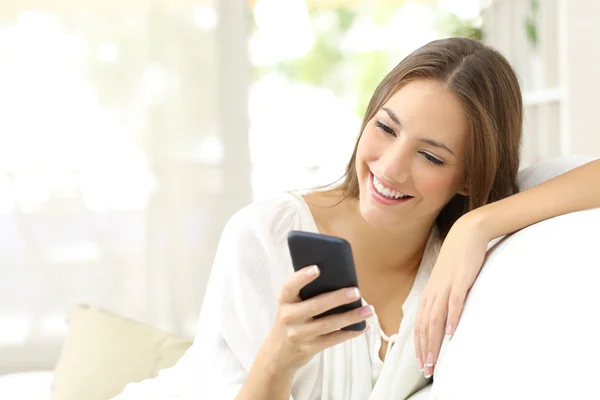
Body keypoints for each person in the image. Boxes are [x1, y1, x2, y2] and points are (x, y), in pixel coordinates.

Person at [112, 37, 600, 400]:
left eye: (430, 157)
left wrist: (477, 226)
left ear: (470, 178)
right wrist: (280, 354)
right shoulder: (264, 238)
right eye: (385, 128)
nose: (389, 167)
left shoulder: (469, 239)